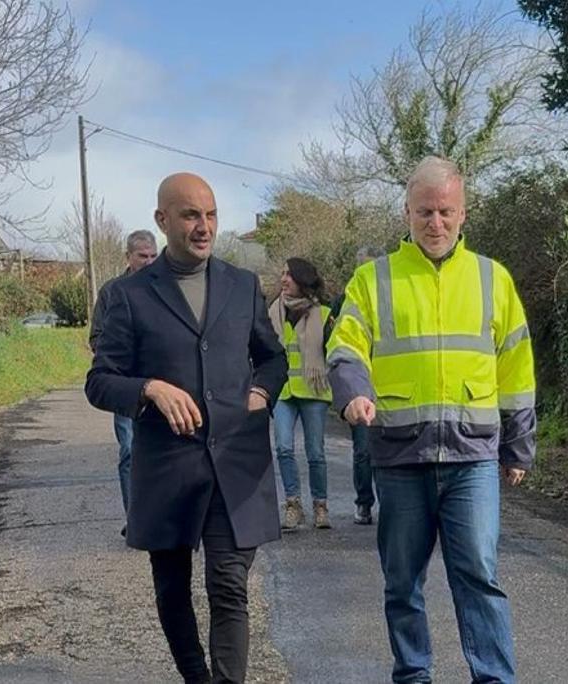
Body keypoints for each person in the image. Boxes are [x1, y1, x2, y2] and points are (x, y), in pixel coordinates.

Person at [327, 156, 537, 684]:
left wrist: (518, 447)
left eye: (445, 211)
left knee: (480, 579)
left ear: (463, 213)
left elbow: (516, 367)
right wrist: (352, 393)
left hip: (473, 458)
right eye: (425, 212)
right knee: (402, 583)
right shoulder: (373, 280)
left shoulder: (493, 279)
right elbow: (345, 346)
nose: (435, 223)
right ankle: (413, 674)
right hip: (400, 455)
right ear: (407, 211)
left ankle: (494, 678)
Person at [85, 172, 287, 684]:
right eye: (191, 215)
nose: (204, 226)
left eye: (211, 214)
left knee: (228, 585)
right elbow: (100, 381)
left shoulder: (242, 286)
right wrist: (149, 387)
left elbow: (272, 359)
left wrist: (261, 393)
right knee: (171, 589)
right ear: (162, 220)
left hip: (235, 463)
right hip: (168, 466)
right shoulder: (128, 296)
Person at [89, 229, 158, 536]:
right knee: (130, 449)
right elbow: (96, 337)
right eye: (142, 256)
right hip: (127, 388)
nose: (149, 261)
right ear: (128, 257)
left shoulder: (167, 287)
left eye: (153, 255)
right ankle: (137, 520)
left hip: (163, 385)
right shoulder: (112, 292)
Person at [268, 257, 334, 531]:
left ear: (302, 280)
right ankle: (293, 504)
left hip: (314, 391)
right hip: (283, 391)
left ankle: (320, 505)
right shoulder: (271, 312)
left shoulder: (326, 314)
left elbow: (336, 355)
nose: (283, 279)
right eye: (282, 274)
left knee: (315, 452)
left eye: (289, 275)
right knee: (283, 447)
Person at [327, 245, 386, 525]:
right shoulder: (343, 302)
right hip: (358, 385)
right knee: (363, 448)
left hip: (391, 387)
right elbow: (336, 341)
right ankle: (364, 502)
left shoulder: (391, 295)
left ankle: (392, 505)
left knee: (388, 449)